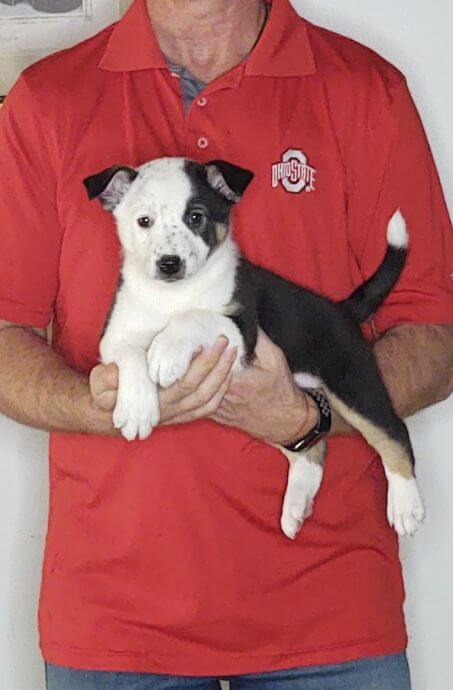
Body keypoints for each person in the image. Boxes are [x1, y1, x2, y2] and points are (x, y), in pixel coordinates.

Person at [0, 1, 452, 688]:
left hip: (328, 617)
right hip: (114, 621)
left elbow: (433, 332)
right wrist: (92, 403)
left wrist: (310, 415)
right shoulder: (49, 97)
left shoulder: (365, 89)